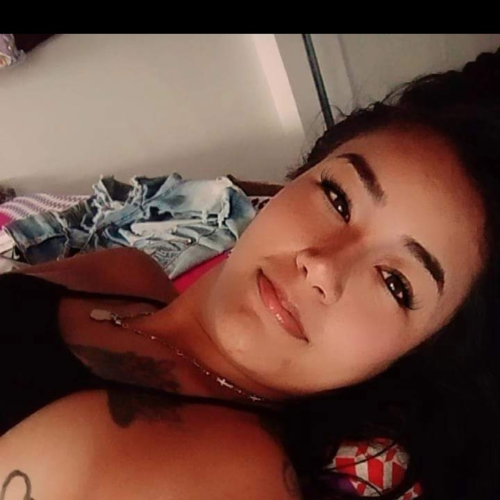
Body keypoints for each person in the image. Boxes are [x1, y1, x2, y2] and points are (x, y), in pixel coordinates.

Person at [2, 47, 500, 500]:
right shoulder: (122, 272)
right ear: (293, 181)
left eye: (395, 283)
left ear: (419, 351)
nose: (323, 266)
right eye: (338, 198)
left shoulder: (237, 476)